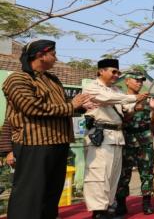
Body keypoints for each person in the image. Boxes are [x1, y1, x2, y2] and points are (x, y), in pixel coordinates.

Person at [3, 40, 96, 219]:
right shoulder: (18, 78)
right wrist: (71, 106)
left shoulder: (52, 79)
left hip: (58, 142)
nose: (56, 58)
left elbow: (59, 107)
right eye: (53, 54)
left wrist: (81, 107)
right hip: (34, 144)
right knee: (29, 195)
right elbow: (32, 108)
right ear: (40, 55)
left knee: (51, 194)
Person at [83, 59, 144, 219]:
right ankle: (98, 211)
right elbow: (105, 99)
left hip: (117, 136)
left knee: (113, 176)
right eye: (113, 72)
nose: (116, 75)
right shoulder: (92, 87)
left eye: (118, 73)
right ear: (101, 71)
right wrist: (133, 98)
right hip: (100, 136)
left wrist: (135, 105)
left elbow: (124, 109)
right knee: (98, 175)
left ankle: (108, 207)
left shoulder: (117, 90)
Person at [115, 71, 154, 216]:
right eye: (136, 80)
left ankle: (146, 203)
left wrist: (153, 109)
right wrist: (134, 107)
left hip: (145, 140)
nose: (139, 83)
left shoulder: (147, 99)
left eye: (141, 81)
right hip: (127, 139)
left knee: (147, 173)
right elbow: (121, 120)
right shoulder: (121, 99)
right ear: (127, 81)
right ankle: (121, 204)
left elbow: (153, 122)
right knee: (123, 174)